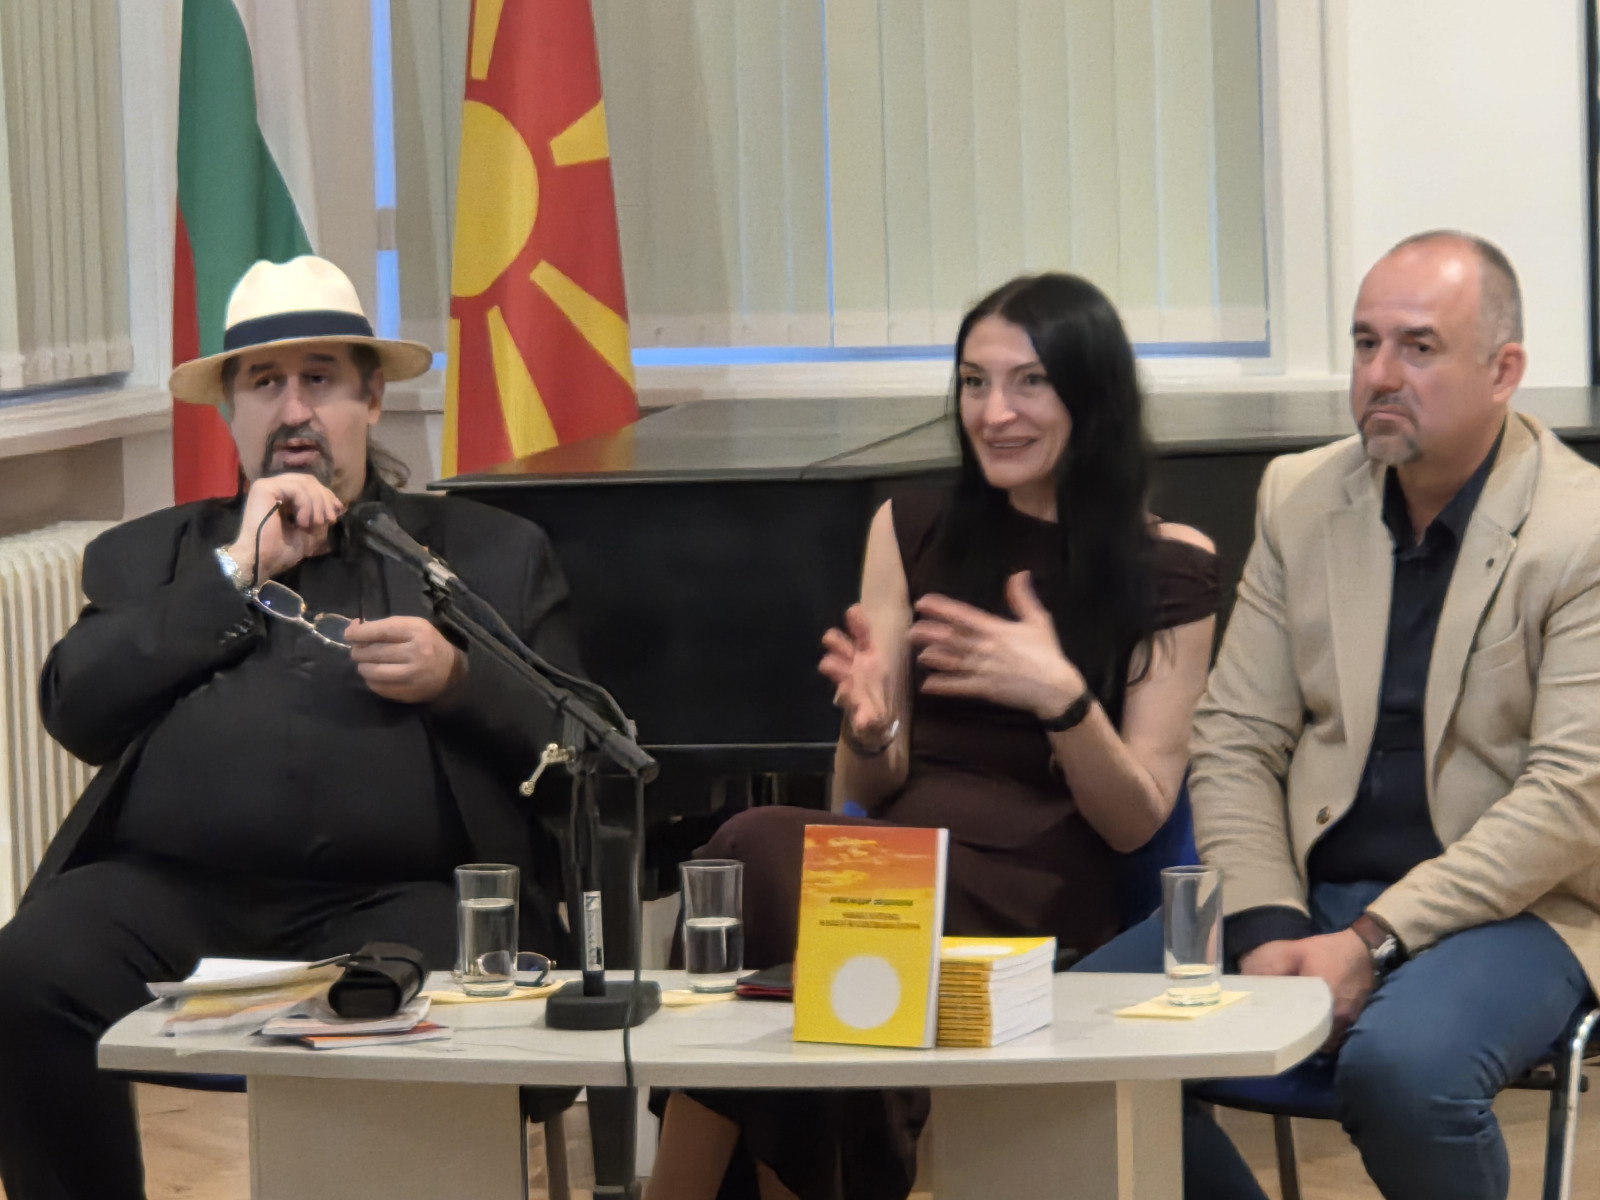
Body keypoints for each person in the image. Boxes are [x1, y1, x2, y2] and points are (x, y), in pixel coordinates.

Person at [0, 256, 584, 1200]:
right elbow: (76, 706)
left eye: (320, 379)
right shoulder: (151, 556)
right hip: (177, 899)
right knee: (28, 973)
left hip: (404, 902)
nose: (294, 409)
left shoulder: (490, 554)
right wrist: (236, 569)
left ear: (371, 400)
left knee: (448, 986)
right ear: (231, 412)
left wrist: (458, 678)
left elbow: (577, 752)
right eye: (265, 384)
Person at [645, 273, 1222, 1200]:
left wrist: (1064, 700)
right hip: (897, 855)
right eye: (973, 383)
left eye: (1029, 383)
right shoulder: (910, 527)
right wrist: (871, 731)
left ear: (1093, 394)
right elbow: (859, 797)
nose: (995, 413)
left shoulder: (1171, 565)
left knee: (783, 873)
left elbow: (1136, 819)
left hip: (1038, 881)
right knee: (768, 863)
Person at [1079, 230, 1600, 1200]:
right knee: (1072, 1038)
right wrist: (1268, 918)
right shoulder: (1302, 496)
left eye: (1418, 347)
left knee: (1402, 1072)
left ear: (1504, 371)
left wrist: (1371, 940)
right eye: (1365, 344)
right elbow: (1235, 737)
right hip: (1309, 888)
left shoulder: (1582, 530)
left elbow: (1570, 799)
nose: (1380, 375)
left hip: (1518, 909)